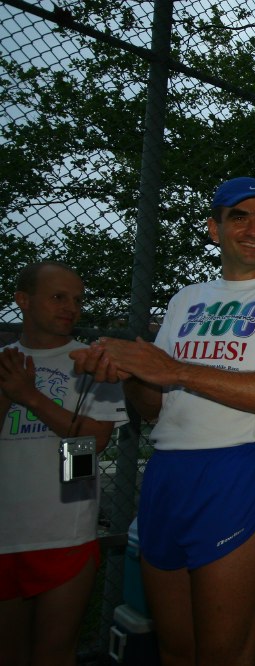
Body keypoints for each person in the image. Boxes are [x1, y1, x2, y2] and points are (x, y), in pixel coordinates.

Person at [71, 177, 255, 665]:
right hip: (167, 470)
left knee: (226, 654)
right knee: (176, 649)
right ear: (214, 228)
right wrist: (129, 371)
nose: (254, 229)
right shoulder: (186, 298)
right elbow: (154, 407)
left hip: (237, 466)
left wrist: (176, 369)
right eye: (239, 216)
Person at [0, 261, 127, 665]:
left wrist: (29, 396)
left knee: (54, 653)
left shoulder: (90, 363)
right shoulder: (4, 361)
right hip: (5, 534)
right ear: (23, 300)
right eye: (58, 297)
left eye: (77, 299)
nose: (71, 307)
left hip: (65, 532)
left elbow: (93, 443)